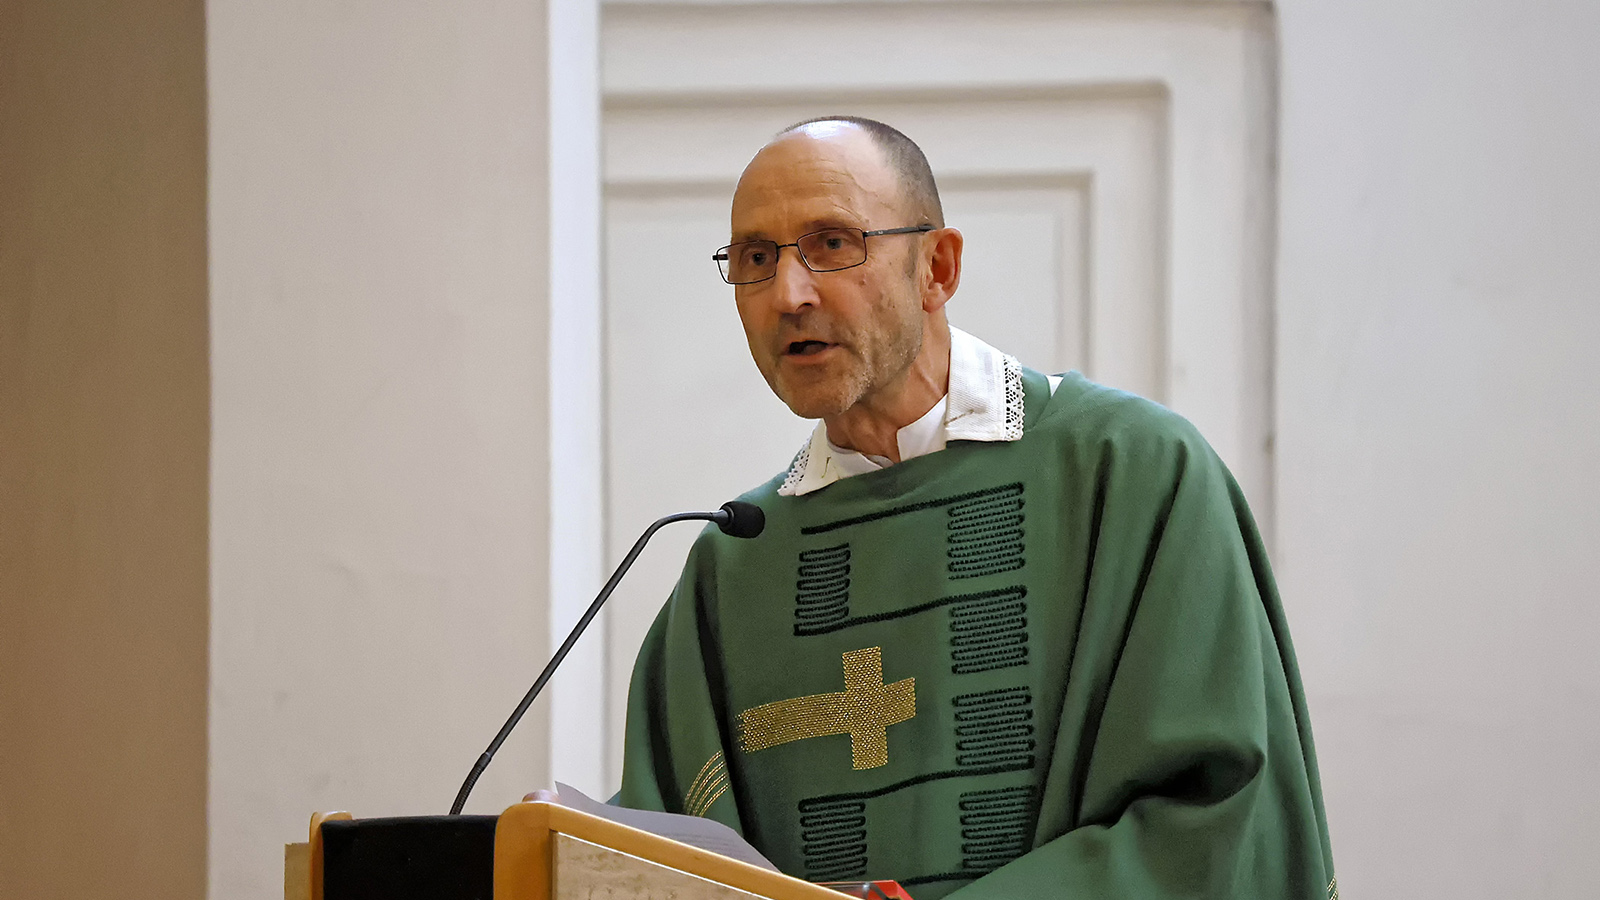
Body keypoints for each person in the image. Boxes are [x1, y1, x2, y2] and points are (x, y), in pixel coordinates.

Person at [615, 117, 1337, 900]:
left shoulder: (1130, 473)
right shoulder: (737, 560)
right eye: (756, 259)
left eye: (831, 244)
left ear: (937, 267)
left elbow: (1221, 817)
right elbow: (668, 854)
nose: (789, 293)